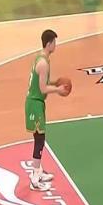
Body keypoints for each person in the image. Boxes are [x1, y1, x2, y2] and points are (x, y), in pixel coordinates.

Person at [25, 29, 68, 191]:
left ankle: (38, 171)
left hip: (36, 102)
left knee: (39, 138)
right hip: (35, 103)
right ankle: (35, 179)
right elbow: (42, 88)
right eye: (54, 42)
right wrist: (58, 90)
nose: (56, 45)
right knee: (39, 139)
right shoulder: (43, 63)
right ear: (49, 43)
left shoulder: (41, 58)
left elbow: (41, 82)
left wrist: (55, 82)